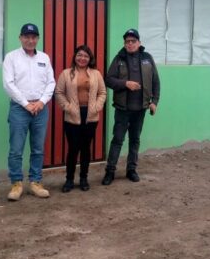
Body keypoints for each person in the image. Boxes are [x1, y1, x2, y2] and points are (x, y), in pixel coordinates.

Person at [2, 23, 55, 201]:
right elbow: (8, 84)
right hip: (19, 108)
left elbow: (51, 82)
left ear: (37, 39)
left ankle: (35, 182)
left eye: (34, 37)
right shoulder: (11, 58)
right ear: (20, 38)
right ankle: (17, 183)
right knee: (16, 149)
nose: (30, 40)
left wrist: (41, 102)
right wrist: (26, 104)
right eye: (27, 37)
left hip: (40, 108)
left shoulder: (44, 58)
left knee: (38, 149)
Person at [102, 29, 160, 185]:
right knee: (118, 140)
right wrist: (125, 84)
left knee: (135, 140)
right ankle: (110, 171)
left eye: (133, 41)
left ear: (139, 43)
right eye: (127, 41)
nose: (130, 44)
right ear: (124, 44)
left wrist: (154, 102)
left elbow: (156, 81)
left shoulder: (147, 58)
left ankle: (131, 170)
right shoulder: (119, 58)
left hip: (140, 108)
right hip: (123, 109)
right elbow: (108, 79)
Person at [54, 45, 107, 193]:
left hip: (90, 115)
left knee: (85, 148)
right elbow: (59, 93)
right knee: (73, 149)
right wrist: (68, 107)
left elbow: (102, 92)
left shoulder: (96, 74)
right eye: (79, 55)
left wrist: (97, 106)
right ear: (75, 57)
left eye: (85, 56)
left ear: (89, 59)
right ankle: (69, 180)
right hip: (72, 116)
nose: (82, 58)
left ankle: (83, 178)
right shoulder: (66, 74)